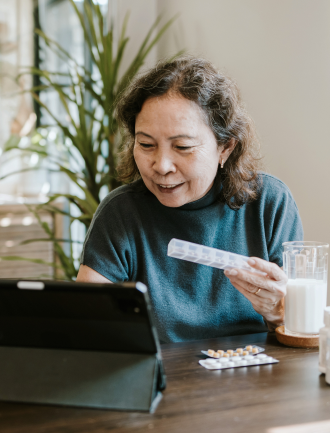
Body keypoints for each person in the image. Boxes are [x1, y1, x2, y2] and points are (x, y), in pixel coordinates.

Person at [76, 56, 303, 343]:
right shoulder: (121, 213)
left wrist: (279, 311)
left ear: (225, 148)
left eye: (182, 146)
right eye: (146, 144)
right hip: (161, 381)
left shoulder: (268, 204)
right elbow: (86, 325)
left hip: (253, 378)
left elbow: (301, 333)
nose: (161, 165)